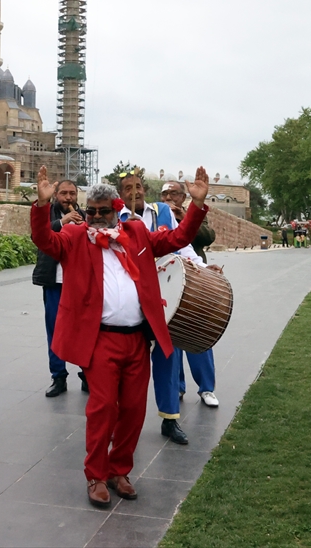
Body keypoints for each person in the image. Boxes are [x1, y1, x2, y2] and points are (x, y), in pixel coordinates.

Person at [32, 164, 210, 507]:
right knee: (102, 408)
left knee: (132, 409)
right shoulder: (75, 238)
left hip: (137, 339)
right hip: (99, 340)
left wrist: (197, 206)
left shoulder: (137, 233)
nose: (96, 217)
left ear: (116, 211)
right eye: (91, 211)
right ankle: (96, 475)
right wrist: (41, 206)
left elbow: (177, 239)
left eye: (103, 211)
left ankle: (119, 470)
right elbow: (44, 240)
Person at [117, 172, 199, 445]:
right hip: (131, 298)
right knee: (130, 364)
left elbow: (181, 242)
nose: (134, 192)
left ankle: (170, 420)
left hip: (165, 296)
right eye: (128, 188)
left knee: (168, 356)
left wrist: (199, 265)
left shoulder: (162, 211)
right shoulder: (116, 220)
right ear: (120, 194)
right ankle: (125, 422)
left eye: (138, 186)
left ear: (145, 190)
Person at [159, 181, 221, 409]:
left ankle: (206, 388)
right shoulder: (158, 215)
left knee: (198, 333)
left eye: (173, 193)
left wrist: (185, 217)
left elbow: (207, 236)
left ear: (182, 196)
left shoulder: (194, 212)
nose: (168, 197)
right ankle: (178, 386)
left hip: (196, 282)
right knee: (172, 337)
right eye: (164, 193)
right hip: (168, 281)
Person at [32, 178, 87, 397]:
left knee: (84, 330)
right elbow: (38, 235)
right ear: (56, 195)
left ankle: (87, 374)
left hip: (78, 284)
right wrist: (63, 222)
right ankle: (58, 376)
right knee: (55, 330)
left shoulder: (85, 215)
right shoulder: (47, 212)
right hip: (54, 281)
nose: (68, 198)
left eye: (72, 193)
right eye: (63, 193)